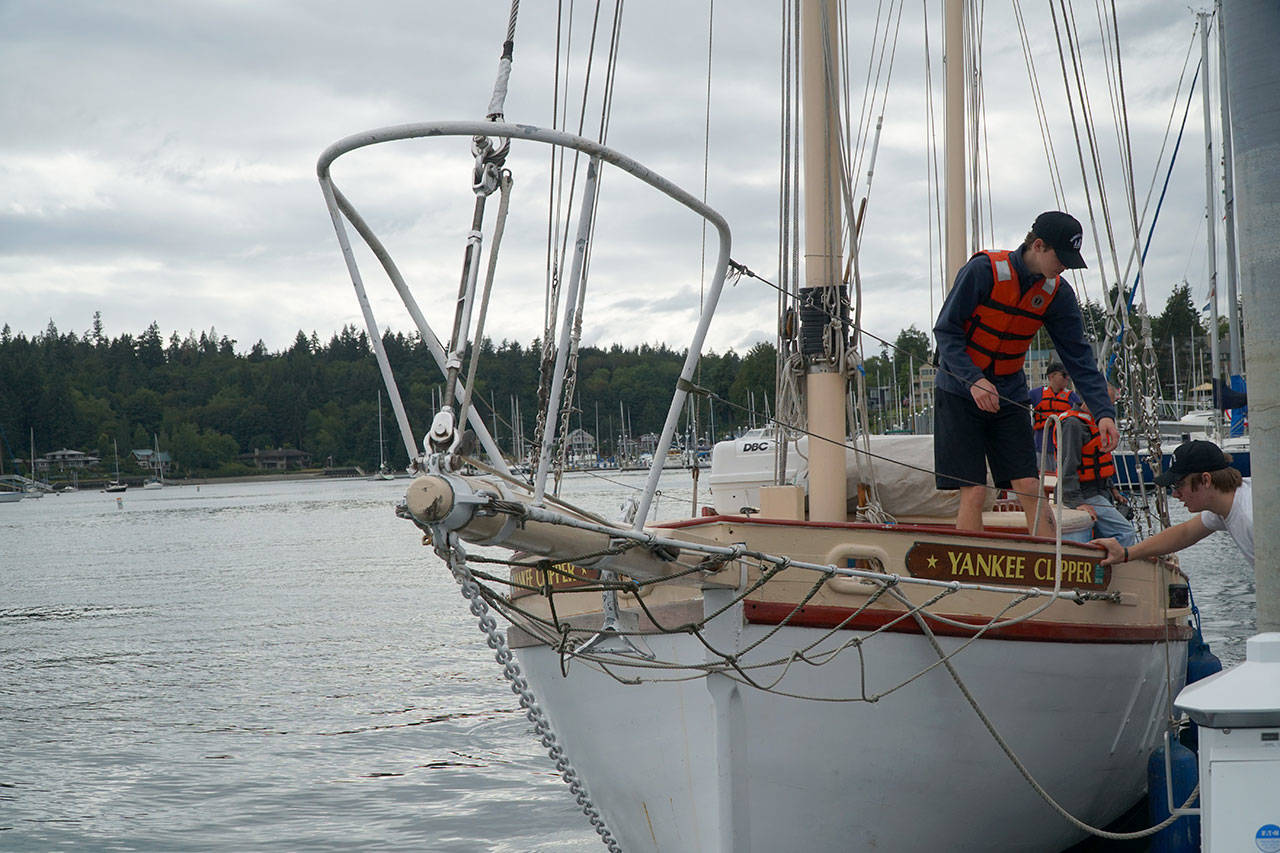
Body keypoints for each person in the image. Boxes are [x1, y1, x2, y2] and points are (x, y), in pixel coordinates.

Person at [933, 211, 1118, 534]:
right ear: (1038, 246)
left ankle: (1048, 571)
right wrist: (974, 380)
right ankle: (969, 578)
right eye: (1061, 257)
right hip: (959, 392)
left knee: (1030, 487)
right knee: (974, 491)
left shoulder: (1057, 293)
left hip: (1009, 394)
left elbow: (1079, 358)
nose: (1064, 267)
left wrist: (1104, 412)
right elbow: (946, 331)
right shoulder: (983, 271)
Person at [1092, 440, 1252, 567]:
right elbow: (1186, 532)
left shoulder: (1250, 517)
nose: (1175, 494)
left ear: (1206, 480)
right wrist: (1125, 553)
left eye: (1179, 485)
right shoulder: (1225, 504)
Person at [1054, 394, 1137, 546]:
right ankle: (1118, 567)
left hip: (1101, 491)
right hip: (1085, 493)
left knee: (1109, 533)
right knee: (1125, 532)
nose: (1109, 409)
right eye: (1107, 403)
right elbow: (1067, 465)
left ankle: (1103, 566)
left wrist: (1113, 490)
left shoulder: (1097, 422)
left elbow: (1099, 459)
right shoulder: (1072, 424)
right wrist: (1076, 501)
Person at [1028, 362, 1081, 471]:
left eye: (1068, 375)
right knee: (1043, 479)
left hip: (1064, 448)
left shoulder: (1072, 397)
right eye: (1064, 375)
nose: (1067, 378)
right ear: (1051, 376)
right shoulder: (1036, 394)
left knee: (1062, 481)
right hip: (1041, 447)